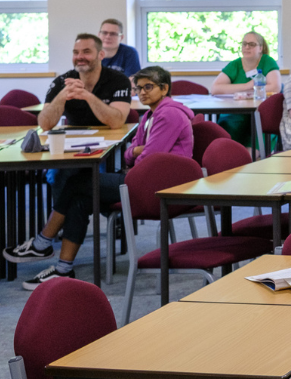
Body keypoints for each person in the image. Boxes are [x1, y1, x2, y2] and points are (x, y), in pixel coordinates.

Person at [3, 66, 194, 290]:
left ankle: (42, 242)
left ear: (164, 89)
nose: (142, 92)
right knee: (80, 198)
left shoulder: (169, 113)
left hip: (160, 185)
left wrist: (135, 153)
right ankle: (63, 269)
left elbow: (149, 157)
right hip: (144, 178)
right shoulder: (151, 114)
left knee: (78, 183)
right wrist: (134, 152)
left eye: (148, 87)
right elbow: (128, 151)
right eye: (139, 88)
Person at [38, 33, 132, 204]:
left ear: (101, 55)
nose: (80, 57)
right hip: (72, 147)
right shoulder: (62, 82)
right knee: (57, 174)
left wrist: (87, 96)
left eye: (86, 52)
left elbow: (117, 121)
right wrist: (62, 96)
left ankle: (82, 220)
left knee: (98, 177)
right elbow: (44, 124)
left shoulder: (119, 80)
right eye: (76, 52)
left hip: (109, 147)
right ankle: (65, 227)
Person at [211, 31, 281, 146]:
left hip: (259, 111)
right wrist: (247, 86)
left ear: (260, 48)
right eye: (244, 44)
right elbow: (215, 88)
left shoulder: (267, 61)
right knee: (228, 124)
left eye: (252, 44)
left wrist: (241, 90)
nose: (247, 47)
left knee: (261, 123)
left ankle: (251, 157)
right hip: (236, 112)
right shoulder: (235, 65)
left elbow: (275, 87)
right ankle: (230, 154)